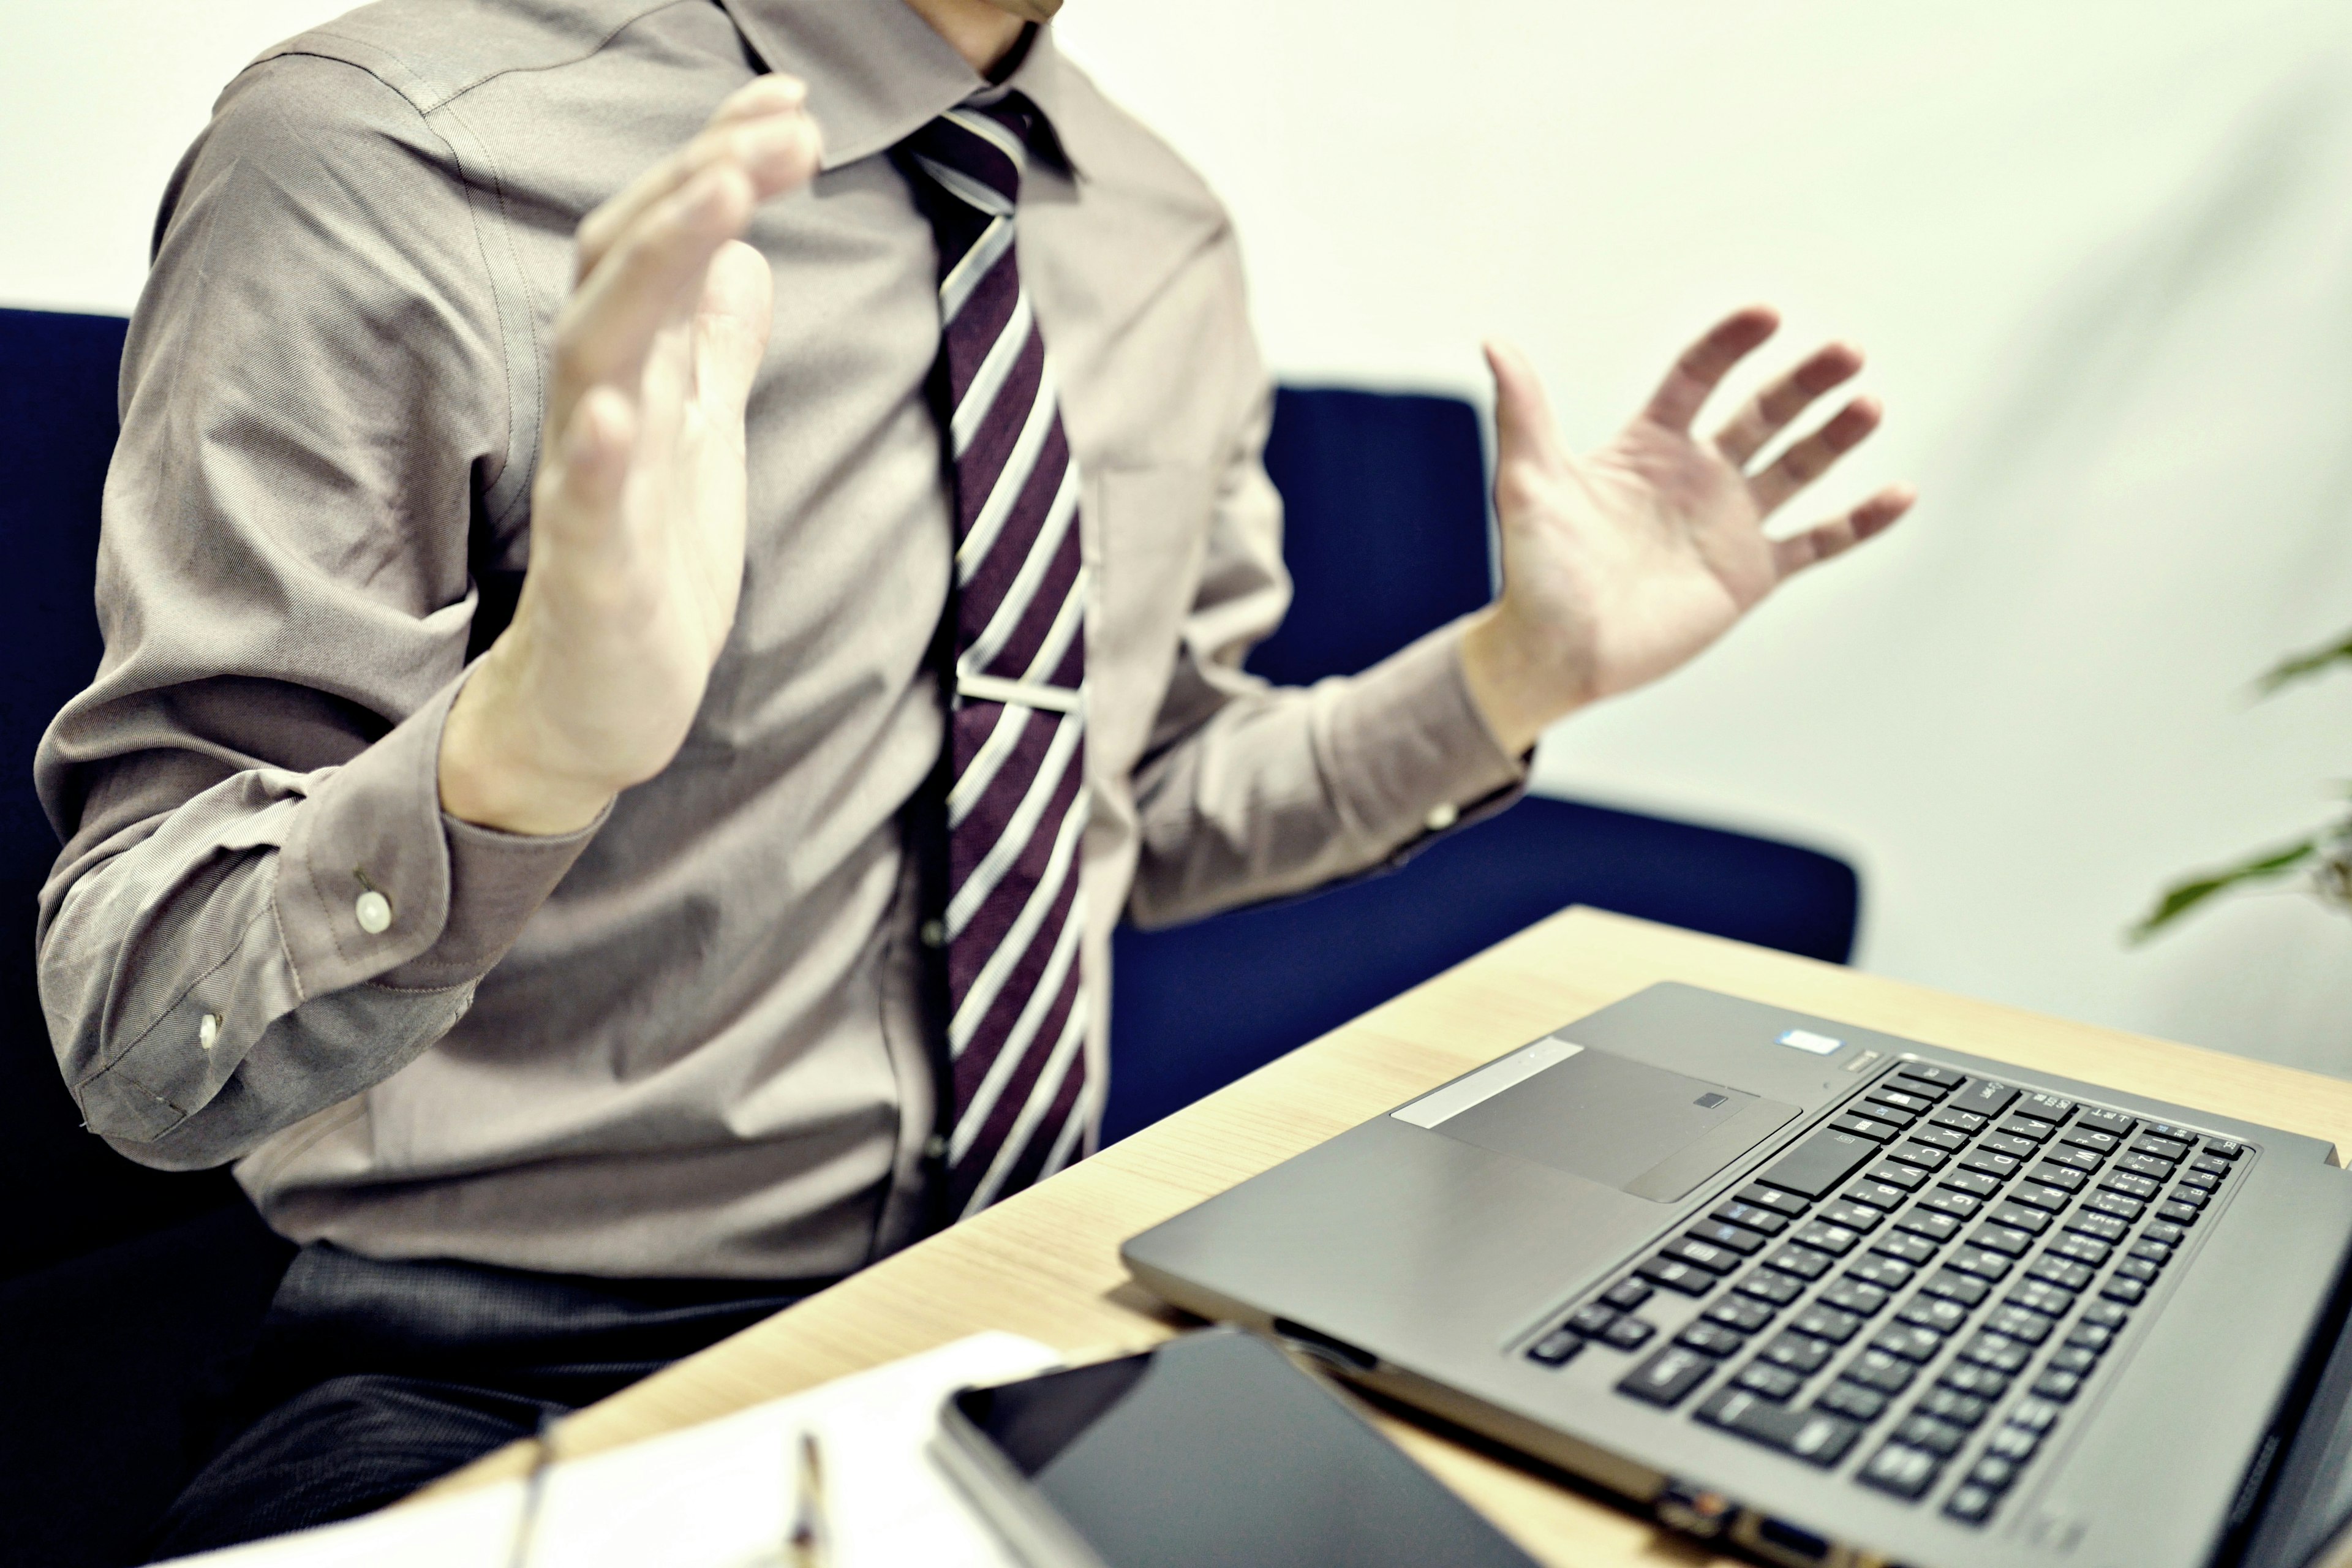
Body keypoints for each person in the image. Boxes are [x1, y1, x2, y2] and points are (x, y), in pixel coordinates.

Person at [34, 0, 1912, 1552]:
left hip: (1047, 1313)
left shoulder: (1156, 235)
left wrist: (1513, 678)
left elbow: (1139, 810)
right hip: (484, 1365)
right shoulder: (384, 152)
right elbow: (142, 1037)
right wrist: (524, 750)